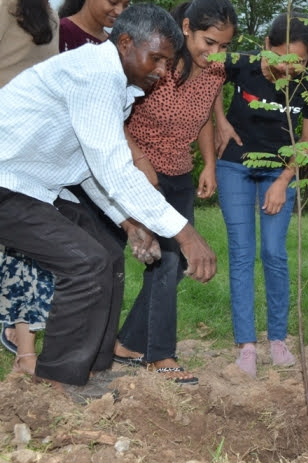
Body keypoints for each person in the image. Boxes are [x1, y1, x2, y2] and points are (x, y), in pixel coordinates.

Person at [0, 4, 216, 389]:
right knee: (85, 263)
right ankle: (58, 382)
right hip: (8, 183)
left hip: (34, 186)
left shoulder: (115, 85)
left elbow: (89, 167)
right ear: (126, 43)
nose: (163, 71)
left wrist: (128, 222)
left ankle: (94, 368)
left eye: (168, 62)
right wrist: (185, 234)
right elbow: (113, 168)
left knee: (107, 253)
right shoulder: (95, 74)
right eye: (158, 58)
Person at [113, 0, 236, 385]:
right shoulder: (159, 63)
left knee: (176, 263)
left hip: (180, 175)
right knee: (165, 263)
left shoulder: (215, 71)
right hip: (141, 175)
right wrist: (137, 160)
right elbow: (116, 114)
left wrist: (209, 166)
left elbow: (199, 119)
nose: (215, 53)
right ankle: (160, 354)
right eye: (209, 42)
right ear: (186, 28)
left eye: (223, 46)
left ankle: (128, 345)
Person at [213, 11, 308, 378]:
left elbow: (306, 143)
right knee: (241, 254)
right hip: (235, 168)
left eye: (301, 61)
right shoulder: (241, 66)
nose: (291, 68)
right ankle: (246, 344)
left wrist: (284, 180)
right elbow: (206, 84)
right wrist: (221, 121)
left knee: (274, 253)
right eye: (284, 57)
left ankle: (278, 339)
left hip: (280, 171)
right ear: (266, 47)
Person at [0, 0, 59, 375]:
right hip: (18, 138)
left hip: (29, 143)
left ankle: (24, 348)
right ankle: (20, 340)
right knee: (22, 246)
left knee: (25, 248)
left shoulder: (46, 13)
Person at [58, 0, 129, 51]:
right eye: (113, 2)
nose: (119, 11)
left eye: (125, 5)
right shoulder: (61, 31)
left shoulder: (113, 43)